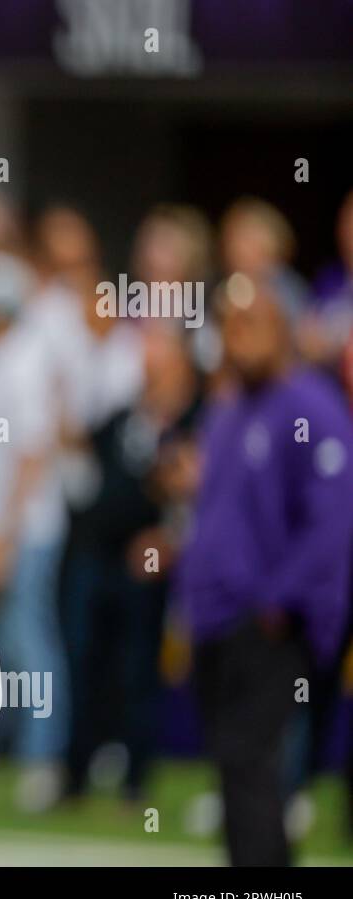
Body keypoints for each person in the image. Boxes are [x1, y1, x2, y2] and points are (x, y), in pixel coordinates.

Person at [178, 272, 353, 865]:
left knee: (250, 762)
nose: (240, 339)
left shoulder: (312, 408)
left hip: (271, 624)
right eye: (231, 326)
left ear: (282, 330)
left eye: (253, 324)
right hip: (217, 619)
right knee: (235, 768)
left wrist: (281, 602)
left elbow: (333, 522)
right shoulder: (227, 413)